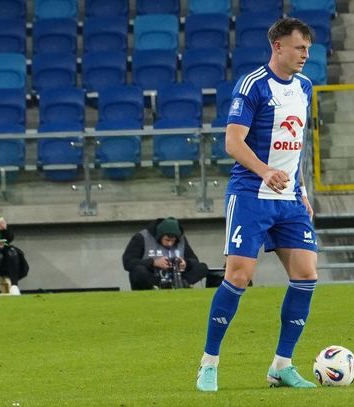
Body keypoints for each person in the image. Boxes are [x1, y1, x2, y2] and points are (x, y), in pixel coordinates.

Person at [196, 17, 318, 392]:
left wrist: (301, 189)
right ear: (278, 46)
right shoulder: (253, 85)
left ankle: (282, 366)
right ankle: (209, 364)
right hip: (251, 193)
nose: (305, 55)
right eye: (299, 48)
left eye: (308, 49)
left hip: (289, 198)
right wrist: (265, 171)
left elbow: (295, 145)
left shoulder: (305, 87)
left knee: (306, 275)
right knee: (239, 276)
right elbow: (233, 142)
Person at [122, 217, 209, 290]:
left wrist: (185, 263)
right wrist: (153, 263)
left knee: (202, 267)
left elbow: (194, 260)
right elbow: (128, 262)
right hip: (152, 276)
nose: (170, 244)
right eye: (167, 240)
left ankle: (183, 284)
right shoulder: (141, 238)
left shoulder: (182, 240)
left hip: (177, 276)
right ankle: (158, 286)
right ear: (160, 236)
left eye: (173, 241)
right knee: (138, 271)